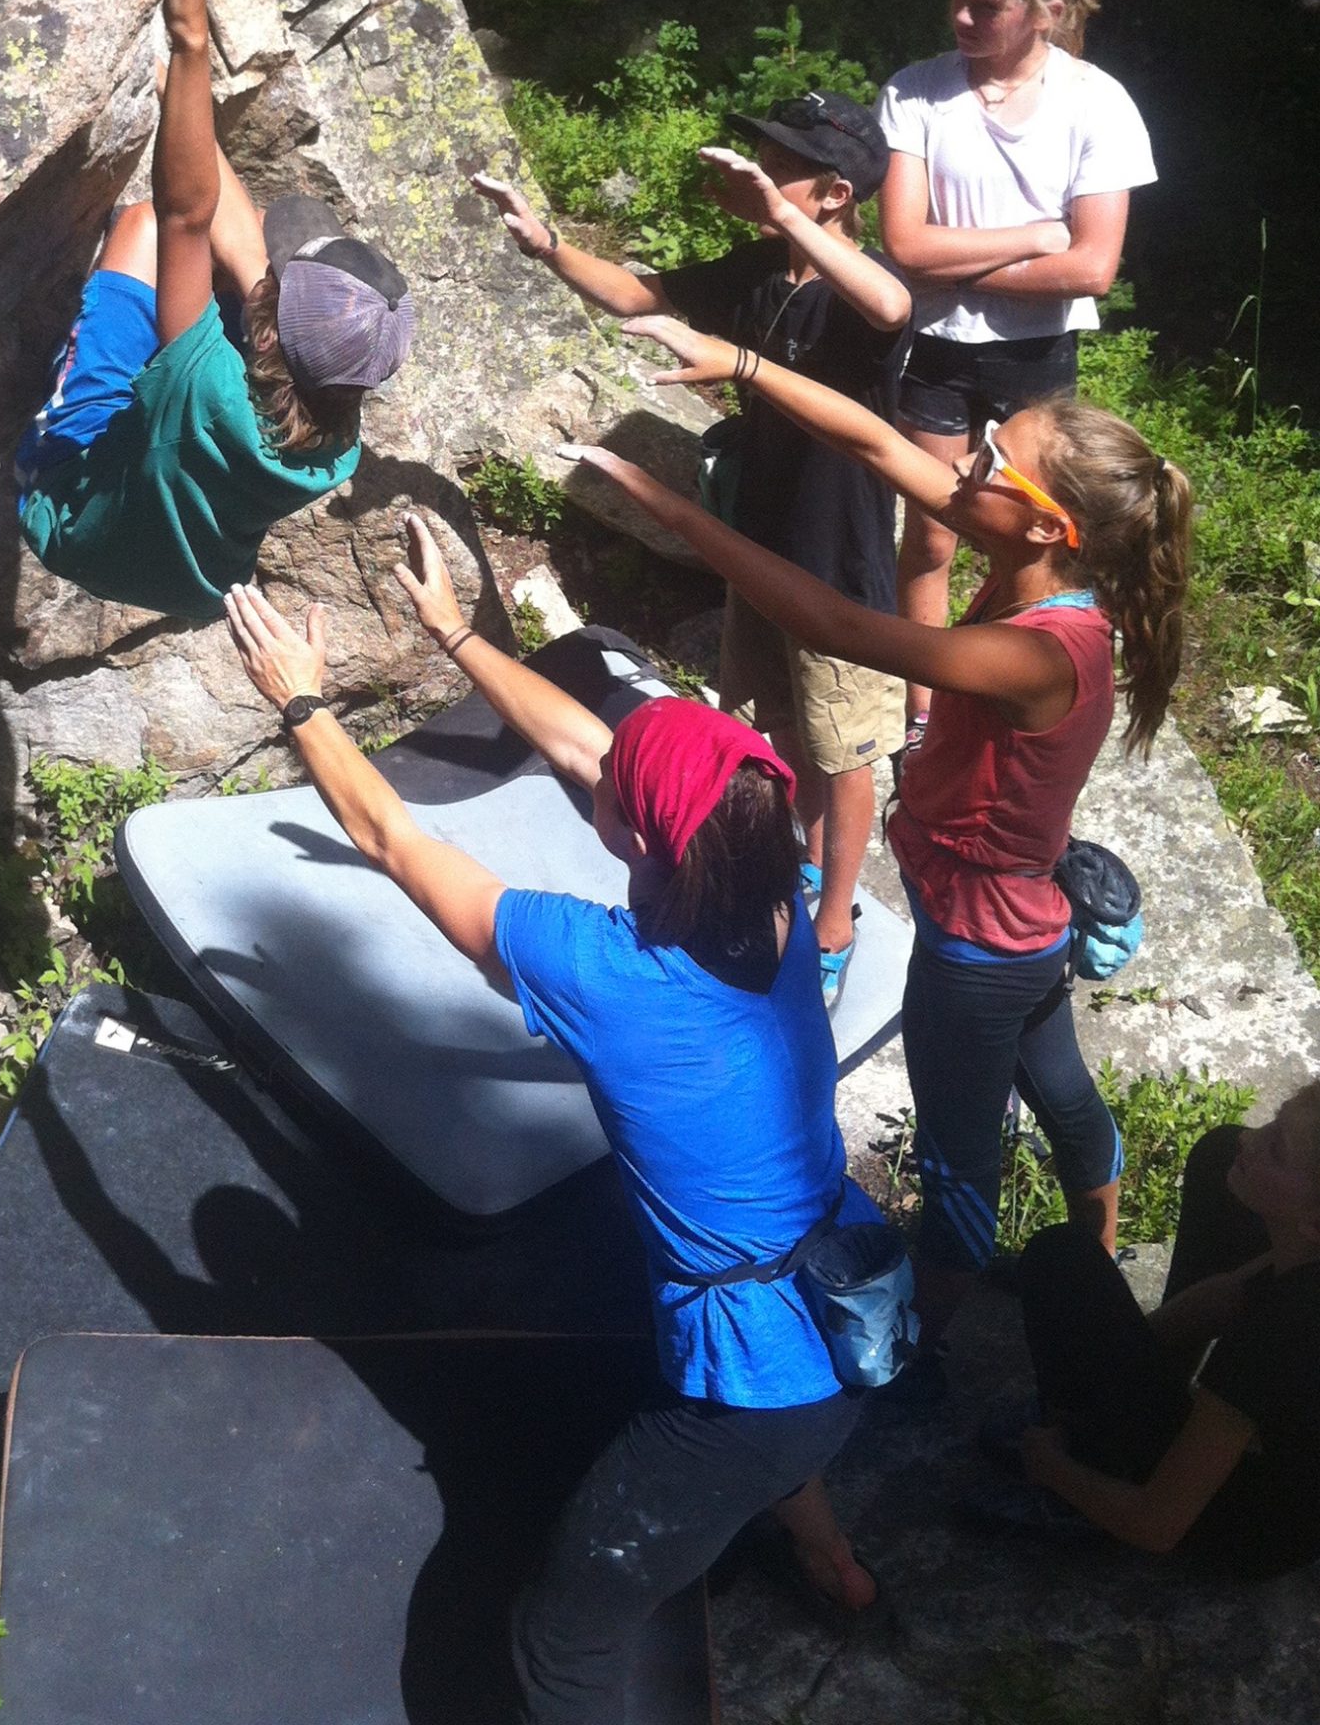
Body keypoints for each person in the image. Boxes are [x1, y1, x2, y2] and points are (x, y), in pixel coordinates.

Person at [222, 515, 883, 1724]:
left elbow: (391, 835)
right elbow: (595, 751)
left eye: (616, 799)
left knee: (560, 1641)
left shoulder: (607, 972)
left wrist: (303, 703)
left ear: (637, 840)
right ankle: (831, 1560)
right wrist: (457, 633)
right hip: (848, 1296)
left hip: (751, 1397)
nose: (597, 780)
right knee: (781, 1418)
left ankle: (783, 1545)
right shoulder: (774, 879)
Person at [568, 325, 1191, 1356]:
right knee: (1063, 1090)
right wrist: (748, 366)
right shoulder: (1048, 583)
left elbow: (843, 628)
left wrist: (674, 507)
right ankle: (1100, 1252)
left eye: (994, 462)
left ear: (1048, 527)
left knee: (955, 1157)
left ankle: (924, 1345)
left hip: (975, 947)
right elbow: (877, 442)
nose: (968, 463)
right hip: (1024, 929)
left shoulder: (1034, 654)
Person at [470, 93, 911, 1010]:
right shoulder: (763, 272)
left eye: (774, 164)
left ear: (832, 192)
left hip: (838, 563)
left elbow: (893, 301)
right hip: (762, 543)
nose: (752, 169)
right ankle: (780, 870)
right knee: (783, 729)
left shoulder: (856, 291)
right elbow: (643, 295)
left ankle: (833, 926)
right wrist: (547, 244)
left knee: (845, 747)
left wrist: (785, 212)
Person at [15, 0, 412, 621]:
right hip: (189, 583)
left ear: (263, 337)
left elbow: (183, 217)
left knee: (139, 225)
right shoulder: (341, 445)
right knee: (243, 241)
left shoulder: (203, 377)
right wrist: (180, 99)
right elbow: (236, 245)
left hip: (68, 516)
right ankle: (184, 116)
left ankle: (58, 431)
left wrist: (188, 38)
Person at [877, 0, 1156, 756]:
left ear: (1046, 10)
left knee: (1028, 536)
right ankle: (926, 706)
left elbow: (1092, 268)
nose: (963, 18)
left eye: (986, 6)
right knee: (929, 528)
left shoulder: (1097, 103)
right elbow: (902, 244)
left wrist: (948, 263)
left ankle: (1009, 685)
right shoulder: (917, 90)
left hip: (1037, 352)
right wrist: (1033, 237)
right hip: (938, 348)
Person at [1001, 1081, 1320, 1580]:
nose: (1252, 1140)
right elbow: (1231, 1293)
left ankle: (1094, 1456)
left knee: (1060, 1261)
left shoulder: (1281, 1334)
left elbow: (1157, 1525)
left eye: (1275, 1150)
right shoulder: (1300, 1261)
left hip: (1249, 1524)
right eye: (1274, 1121)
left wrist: (1052, 1466)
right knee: (1220, 1154)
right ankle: (1112, 1407)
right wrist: (1121, 1356)